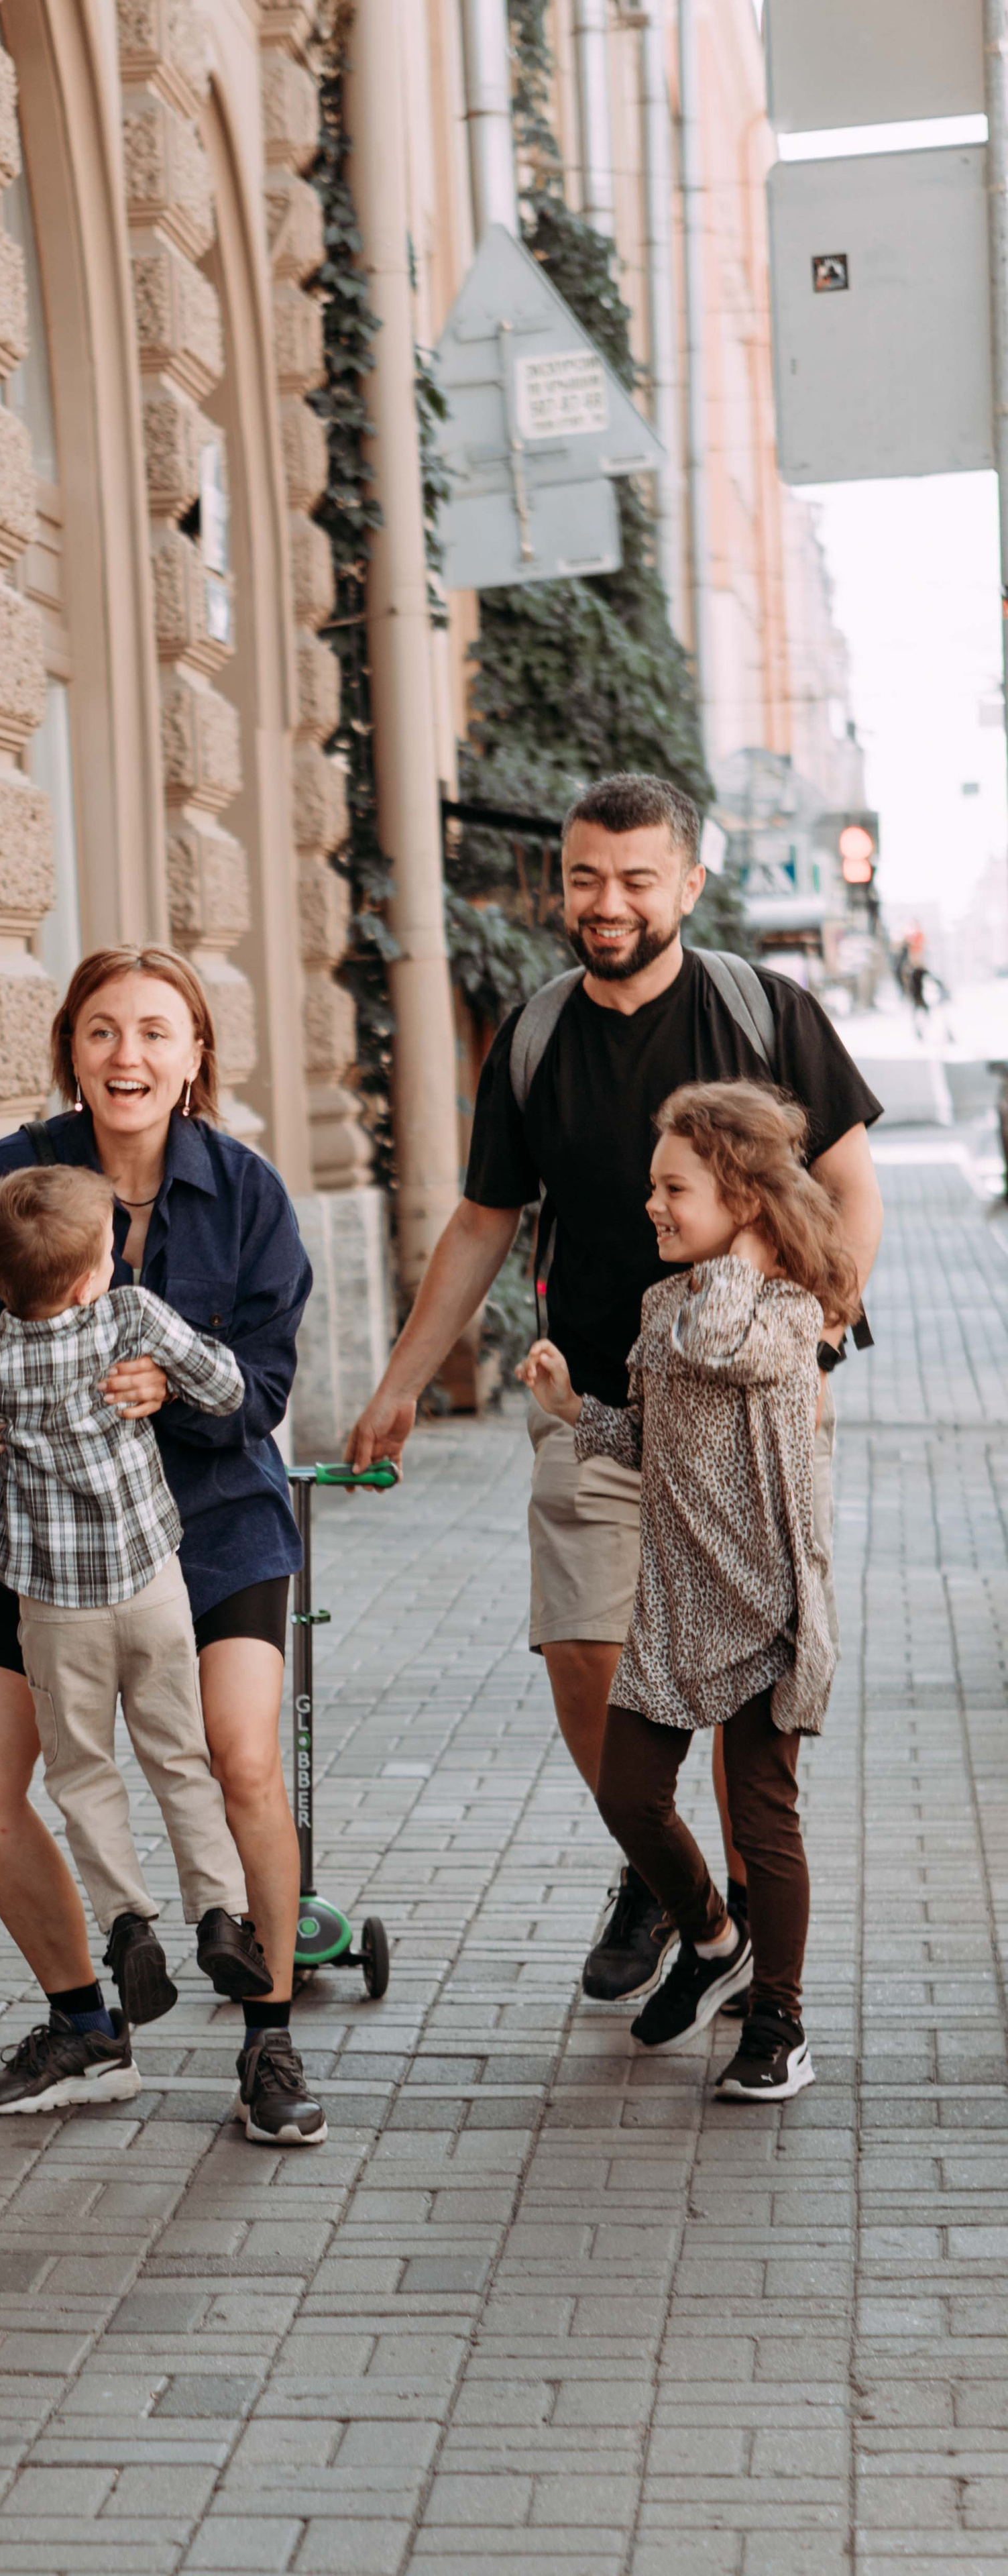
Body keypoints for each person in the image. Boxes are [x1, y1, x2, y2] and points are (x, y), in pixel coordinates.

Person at [345, 773, 883, 2004]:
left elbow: (852, 1184)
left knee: (748, 1691)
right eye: (587, 877)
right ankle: (675, 1891)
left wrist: (817, 1338)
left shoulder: (764, 1013)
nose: (608, 902)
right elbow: (484, 1223)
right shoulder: (535, 1038)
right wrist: (399, 1386)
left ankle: (758, 1950)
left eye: (639, 879)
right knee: (587, 1659)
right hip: (596, 1408)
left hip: (753, 1415)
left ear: (688, 885)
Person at [0, 946, 327, 2147]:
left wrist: (184, 1391)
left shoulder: (248, 1192)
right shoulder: (12, 1177)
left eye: (158, 1032)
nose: (129, 1055)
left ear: (195, 1056)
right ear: (72, 1050)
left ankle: (267, 2040)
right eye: (104, 1031)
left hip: (213, 1525)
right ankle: (88, 2026)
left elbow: (264, 1388)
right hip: (61, 1541)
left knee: (241, 1759)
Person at [0, 1161, 273, 2120]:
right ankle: (221, 1913)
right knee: (180, 1758)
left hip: (55, 1610)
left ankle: (128, 1926)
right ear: (91, 1277)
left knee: (81, 1774)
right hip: (152, 1588)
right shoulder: (133, 1319)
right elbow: (231, 1390)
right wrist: (172, 1383)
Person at [521, 1081, 860, 2098]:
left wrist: (754, 1255)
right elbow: (652, 1440)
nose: (653, 1206)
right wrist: (573, 1407)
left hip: (765, 1608)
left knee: (765, 1818)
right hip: (674, 1606)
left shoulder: (788, 1314)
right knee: (630, 1796)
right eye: (653, 1188)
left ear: (744, 1202)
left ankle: (780, 2023)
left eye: (675, 1188)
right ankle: (714, 1940)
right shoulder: (666, 1303)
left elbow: (723, 1348)